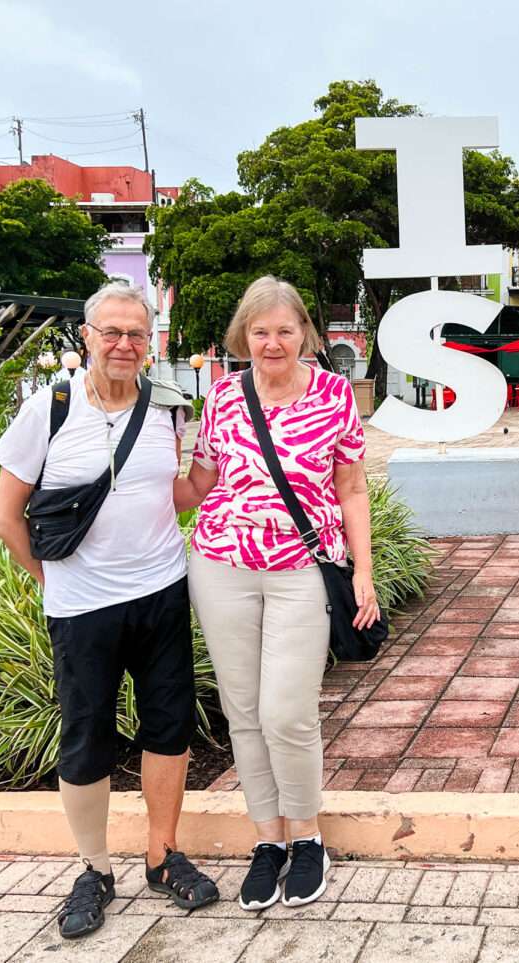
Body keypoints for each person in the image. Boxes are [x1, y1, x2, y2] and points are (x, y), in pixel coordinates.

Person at [0, 282, 218, 940]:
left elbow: (156, 494)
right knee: (87, 737)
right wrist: (54, 577)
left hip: (162, 592)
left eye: (136, 334)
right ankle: (93, 868)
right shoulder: (47, 409)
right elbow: (4, 515)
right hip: (83, 608)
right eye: (111, 332)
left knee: (168, 726)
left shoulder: (163, 407)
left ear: (151, 343)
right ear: (86, 336)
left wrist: (199, 484)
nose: (124, 344)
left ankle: (163, 854)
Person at [175, 275, 379, 910]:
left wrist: (364, 571)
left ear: (304, 336)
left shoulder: (335, 396)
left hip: (300, 568)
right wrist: (122, 490)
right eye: (260, 331)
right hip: (220, 564)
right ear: (244, 335)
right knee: (243, 711)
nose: (272, 342)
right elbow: (201, 480)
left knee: (286, 712)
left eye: (284, 331)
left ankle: (307, 835)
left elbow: (351, 489)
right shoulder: (223, 397)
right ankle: (268, 841)